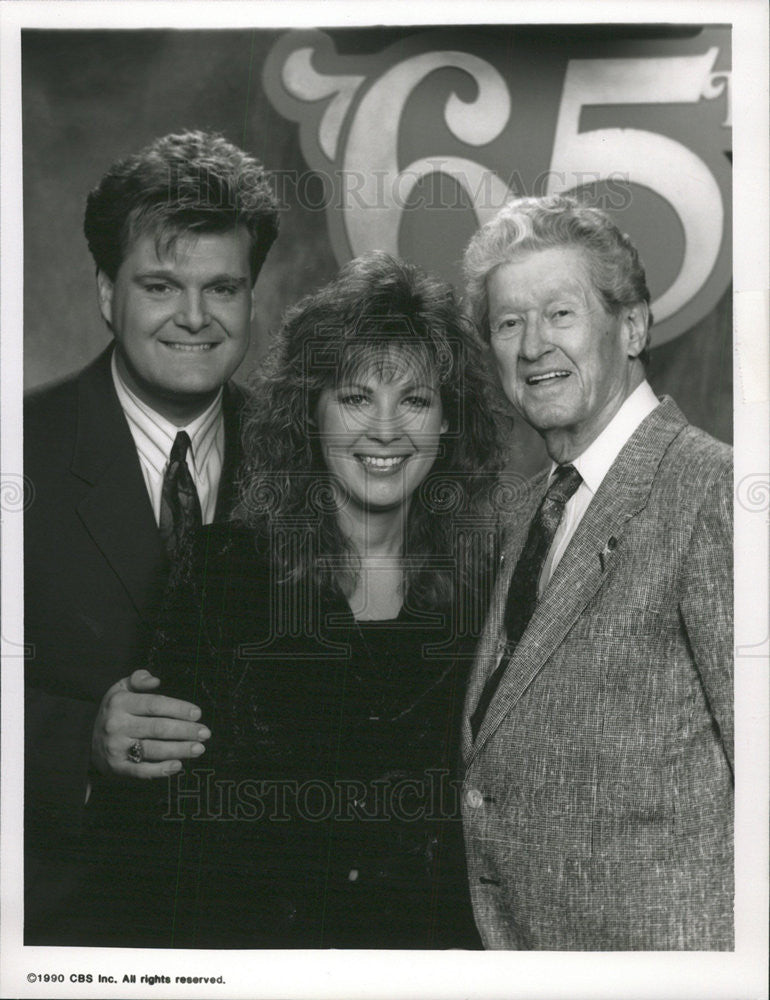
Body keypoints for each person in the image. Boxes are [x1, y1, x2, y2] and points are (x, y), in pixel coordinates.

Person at [83, 251, 507, 948]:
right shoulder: (222, 572)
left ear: (448, 423)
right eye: (356, 397)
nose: (385, 429)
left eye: (416, 399)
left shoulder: (487, 587)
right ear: (310, 411)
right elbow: (143, 828)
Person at [24, 130, 279, 943]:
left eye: (223, 288)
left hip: (256, 930)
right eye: (162, 285)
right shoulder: (16, 450)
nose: (196, 319)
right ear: (107, 292)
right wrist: (75, 743)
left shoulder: (306, 455)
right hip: (62, 927)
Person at [460, 194, 733, 950]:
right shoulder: (523, 517)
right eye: (509, 323)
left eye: (560, 314)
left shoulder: (714, 493)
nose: (532, 347)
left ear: (634, 326)